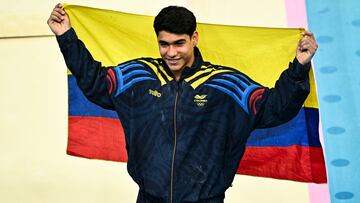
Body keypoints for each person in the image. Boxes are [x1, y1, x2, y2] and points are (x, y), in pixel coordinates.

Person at [48, 3, 318, 203]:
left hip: (206, 199)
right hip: (149, 197)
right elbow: (95, 82)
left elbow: (274, 109)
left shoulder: (225, 84)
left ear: (194, 39)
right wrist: (66, 36)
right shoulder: (139, 76)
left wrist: (299, 67)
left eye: (179, 43)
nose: (171, 52)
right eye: (164, 44)